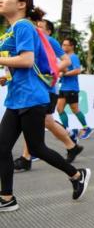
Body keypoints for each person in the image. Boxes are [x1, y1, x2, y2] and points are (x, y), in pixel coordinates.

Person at [0, 0, 90, 212]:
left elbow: (27, 60)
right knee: (2, 148)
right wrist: (5, 76)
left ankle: (77, 174)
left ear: (21, 4)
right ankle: (7, 197)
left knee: (37, 148)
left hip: (31, 97)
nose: (0, 0)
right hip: (16, 97)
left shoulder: (22, 26)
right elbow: (19, 64)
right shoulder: (12, 30)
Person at [13, 19, 83, 172]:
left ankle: (27, 157)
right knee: (44, 122)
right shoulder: (31, 39)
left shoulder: (49, 41)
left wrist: (52, 71)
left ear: (49, 31)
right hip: (35, 90)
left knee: (38, 121)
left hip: (46, 90)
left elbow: (67, 60)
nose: (37, 28)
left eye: (40, 27)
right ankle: (71, 146)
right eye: (36, 26)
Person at [56, 37, 94, 139]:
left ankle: (86, 128)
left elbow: (77, 70)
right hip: (63, 87)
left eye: (65, 45)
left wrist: (64, 74)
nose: (63, 47)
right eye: (62, 44)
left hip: (72, 88)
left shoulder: (73, 57)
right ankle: (68, 130)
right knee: (59, 109)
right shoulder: (64, 58)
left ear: (72, 46)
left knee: (75, 109)